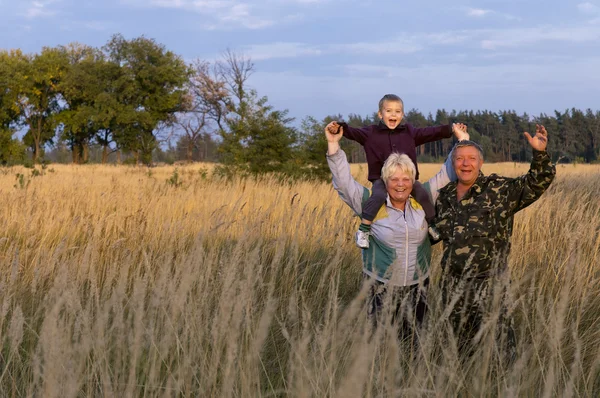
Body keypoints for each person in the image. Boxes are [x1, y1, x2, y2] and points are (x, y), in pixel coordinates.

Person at [325, 121, 469, 340]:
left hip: (417, 288)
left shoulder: (423, 200)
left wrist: (462, 141)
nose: (400, 184)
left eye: (405, 179)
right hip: (379, 287)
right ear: (385, 180)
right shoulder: (370, 204)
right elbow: (344, 183)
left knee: (413, 346)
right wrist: (333, 146)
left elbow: (446, 175)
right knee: (379, 348)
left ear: (413, 180)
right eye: (394, 179)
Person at [433, 124, 556, 355]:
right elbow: (433, 233)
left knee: (501, 353)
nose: (465, 164)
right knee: (457, 353)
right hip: (453, 287)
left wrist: (539, 153)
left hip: (490, 286)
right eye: (459, 159)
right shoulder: (445, 196)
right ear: (453, 163)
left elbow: (536, 182)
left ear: (480, 163)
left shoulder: (499, 189)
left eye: (471, 159)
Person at [327, 94, 466, 249]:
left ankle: (432, 226)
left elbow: (430, 132)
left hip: (408, 180)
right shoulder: (370, 133)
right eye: (388, 111)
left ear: (403, 114)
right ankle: (364, 229)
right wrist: (340, 127)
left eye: (397, 111)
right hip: (381, 180)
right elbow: (353, 132)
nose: (393, 114)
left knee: (422, 194)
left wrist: (451, 129)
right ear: (380, 114)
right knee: (378, 196)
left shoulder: (409, 132)